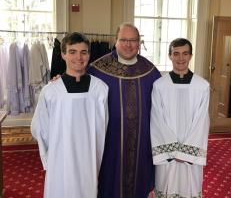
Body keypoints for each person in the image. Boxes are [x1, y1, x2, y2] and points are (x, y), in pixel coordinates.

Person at [31, 32, 109, 198]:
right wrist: (52, 156)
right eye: (72, 52)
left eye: (84, 52)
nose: (79, 58)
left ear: (89, 54)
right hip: (61, 160)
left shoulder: (100, 89)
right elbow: (39, 129)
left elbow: (103, 127)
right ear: (63, 54)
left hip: (88, 158)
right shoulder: (51, 91)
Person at [87, 22, 161, 197]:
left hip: (142, 142)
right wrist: (58, 80)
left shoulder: (150, 71)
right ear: (115, 41)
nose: (128, 45)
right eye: (124, 40)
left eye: (133, 40)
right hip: (109, 142)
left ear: (139, 42)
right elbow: (78, 90)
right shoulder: (97, 69)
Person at [150, 38, 210, 197]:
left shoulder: (202, 86)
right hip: (167, 154)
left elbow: (202, 121)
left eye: (185, 53)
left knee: (190, 188)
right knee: (165, 186)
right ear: (169, 56)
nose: (180, 58)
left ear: (191, 56)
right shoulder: (159, 85)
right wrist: (173, 151)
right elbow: (157, 119)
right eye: (176, 54)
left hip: (190, 155)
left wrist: (185, 152)